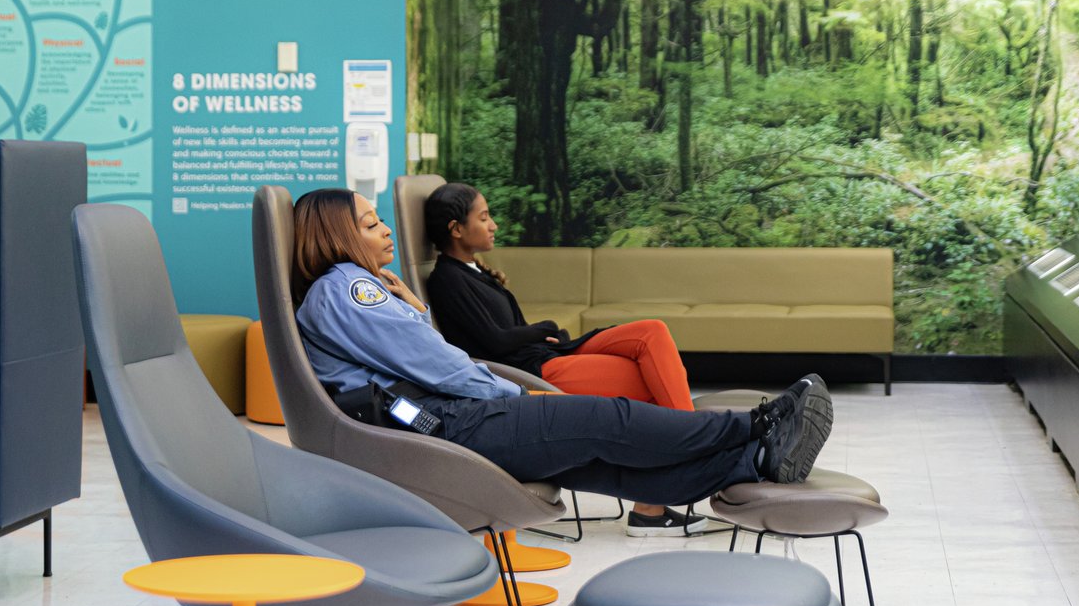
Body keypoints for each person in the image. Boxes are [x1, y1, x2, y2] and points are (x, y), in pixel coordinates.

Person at [289, 187, 834, 512]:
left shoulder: (344, 293)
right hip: (449, 423)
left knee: (603, 465)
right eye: (369, 223)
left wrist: (413, 306)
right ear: (334, 235)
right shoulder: (345, 286)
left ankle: (751, 462)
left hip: (433, 419)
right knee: (609, 420)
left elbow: (410, 352)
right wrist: (512, 391)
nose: (384, 230)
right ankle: (757, 426)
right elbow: (431, 361)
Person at [423, 182, 693, 412]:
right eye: (483, 218)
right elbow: (495, 341)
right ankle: (695, 433)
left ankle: (692, 428)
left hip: (548, 352)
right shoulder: (448, 279)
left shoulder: (473, 272)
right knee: (651, 376)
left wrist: (545, 334)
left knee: (652, 332)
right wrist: (545, 328)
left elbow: (513, 331)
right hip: (532, 369)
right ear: (456, 229)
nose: (493, 225)